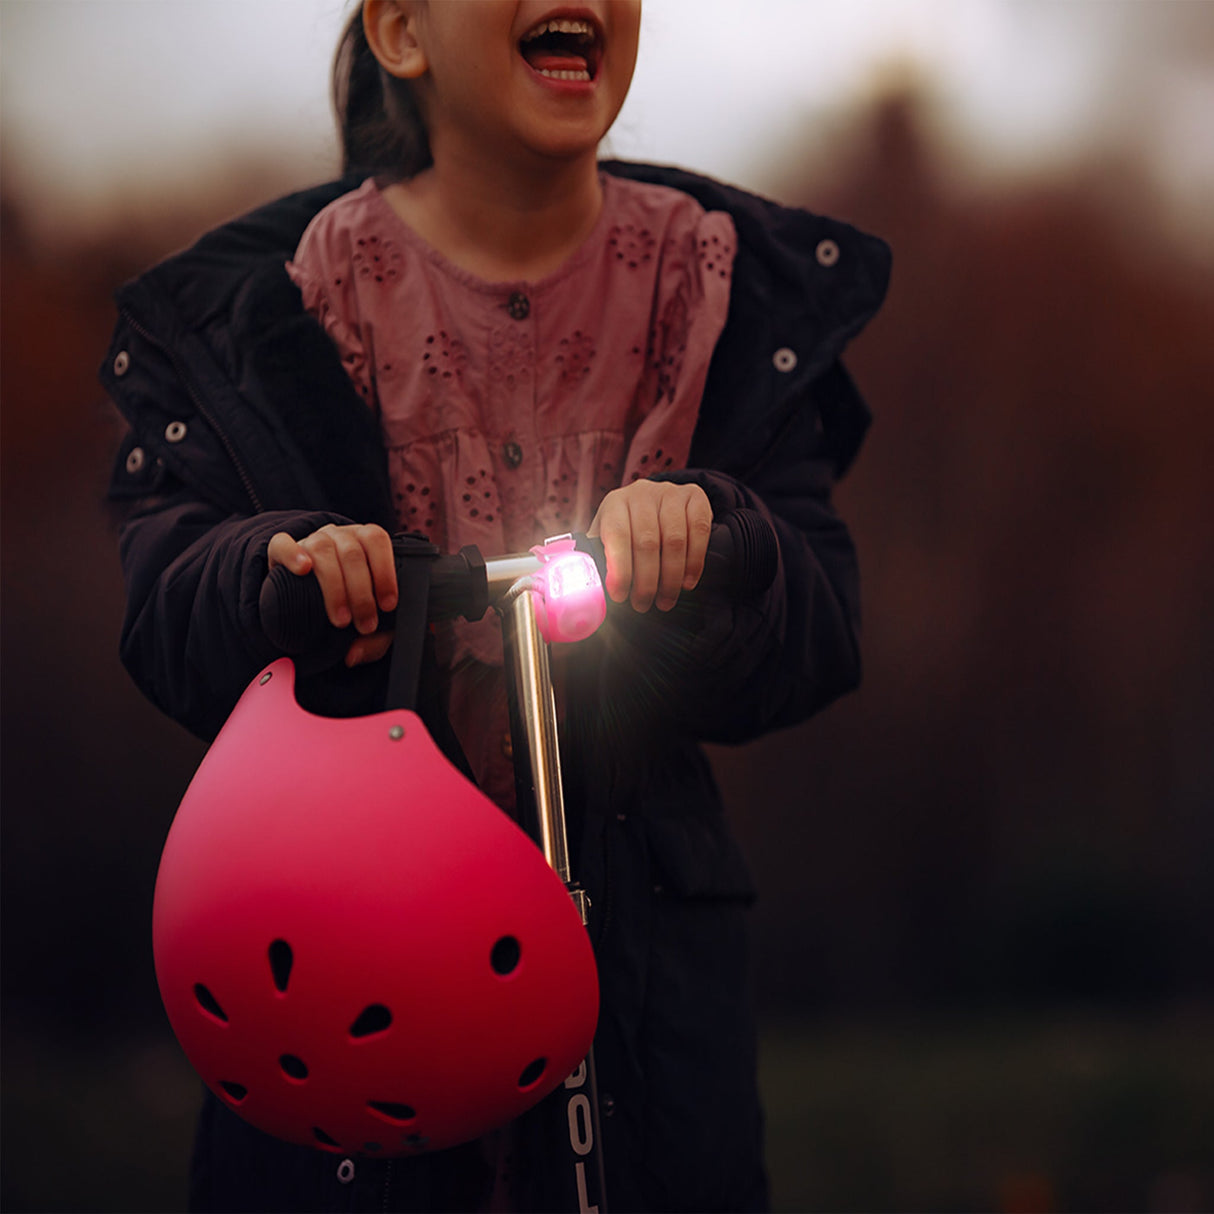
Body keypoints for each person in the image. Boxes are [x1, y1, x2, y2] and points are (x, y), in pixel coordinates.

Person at [104, 1, 890, 1210]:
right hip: (344, 975)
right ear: (402, 30)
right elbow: (170, 602)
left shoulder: (722, 289)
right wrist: (284, 576)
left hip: (642, 997)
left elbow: (816, 625)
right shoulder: (275, 309)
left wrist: (716, 546)